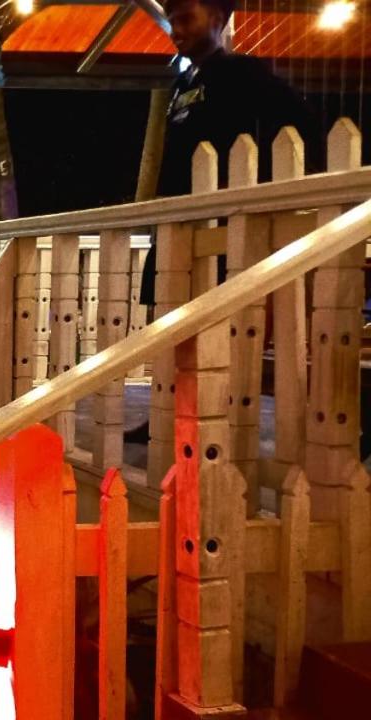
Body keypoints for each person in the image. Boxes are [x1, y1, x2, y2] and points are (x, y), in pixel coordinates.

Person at [127, 0, 320, 443]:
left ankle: (217, 419)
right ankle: (171, 414)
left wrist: (264, 188)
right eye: (172, 20)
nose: (176, 29)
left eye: (186, 18)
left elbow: (301, 123)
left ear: (216, 19)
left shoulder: (242, 73)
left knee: (220, 327)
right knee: (172, 322)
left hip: (223, 225)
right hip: (179, 221)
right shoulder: (184, 83)